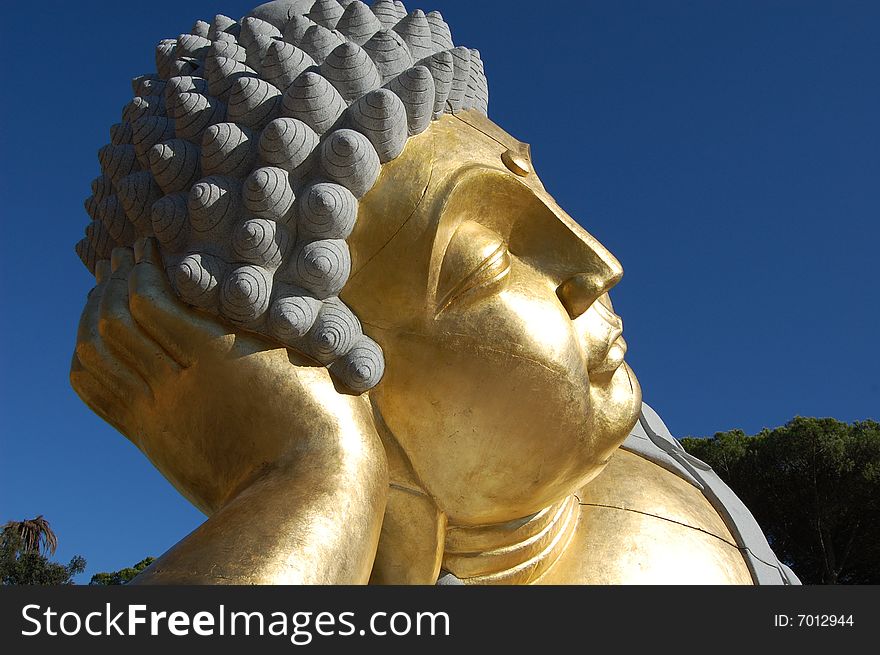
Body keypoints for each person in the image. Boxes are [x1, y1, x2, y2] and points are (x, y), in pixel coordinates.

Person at [71, 0, 797, 584]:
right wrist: (313, 481)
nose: (598, 265)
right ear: (324, 382)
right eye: (482, 261)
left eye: (538, 190)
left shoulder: (662, 457)